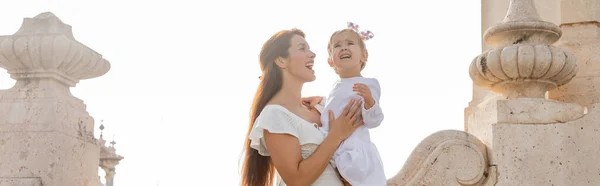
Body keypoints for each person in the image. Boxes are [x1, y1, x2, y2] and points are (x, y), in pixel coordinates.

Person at [240, 28, 365, 186]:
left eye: (310, 49)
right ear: (281, 61)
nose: (312, 54)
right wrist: (335, 136)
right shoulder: (275, 116)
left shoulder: (321, 107)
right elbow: (296, 180)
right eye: (302, 48)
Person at [306, 22, 386, 186]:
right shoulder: (336, 86)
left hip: (352, 148)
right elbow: (336, 106)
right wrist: (320, 102)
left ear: (364, 55)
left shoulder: (369, 84)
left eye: (350, 43)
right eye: (337, 46)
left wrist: (369, 101)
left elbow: (374, 121)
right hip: (331, 144)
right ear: (330, 62)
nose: (343, 48)